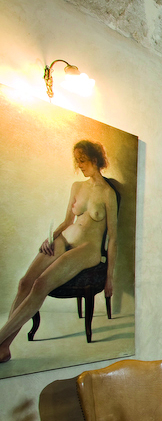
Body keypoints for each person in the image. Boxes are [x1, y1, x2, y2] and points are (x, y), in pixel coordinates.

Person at [0, 140, 118, 363]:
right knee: (25, 282)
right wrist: (51, 236)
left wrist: (109, 277)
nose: (79, 165)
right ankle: (4, 347)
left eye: (82, 160)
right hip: (66, 239)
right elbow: (67, 221)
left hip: (88, 248)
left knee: (40, 285)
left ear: (95, 160)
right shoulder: (77, 186)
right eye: (77, 160)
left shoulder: (108, 194)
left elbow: (113, 239)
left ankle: (0, 339)